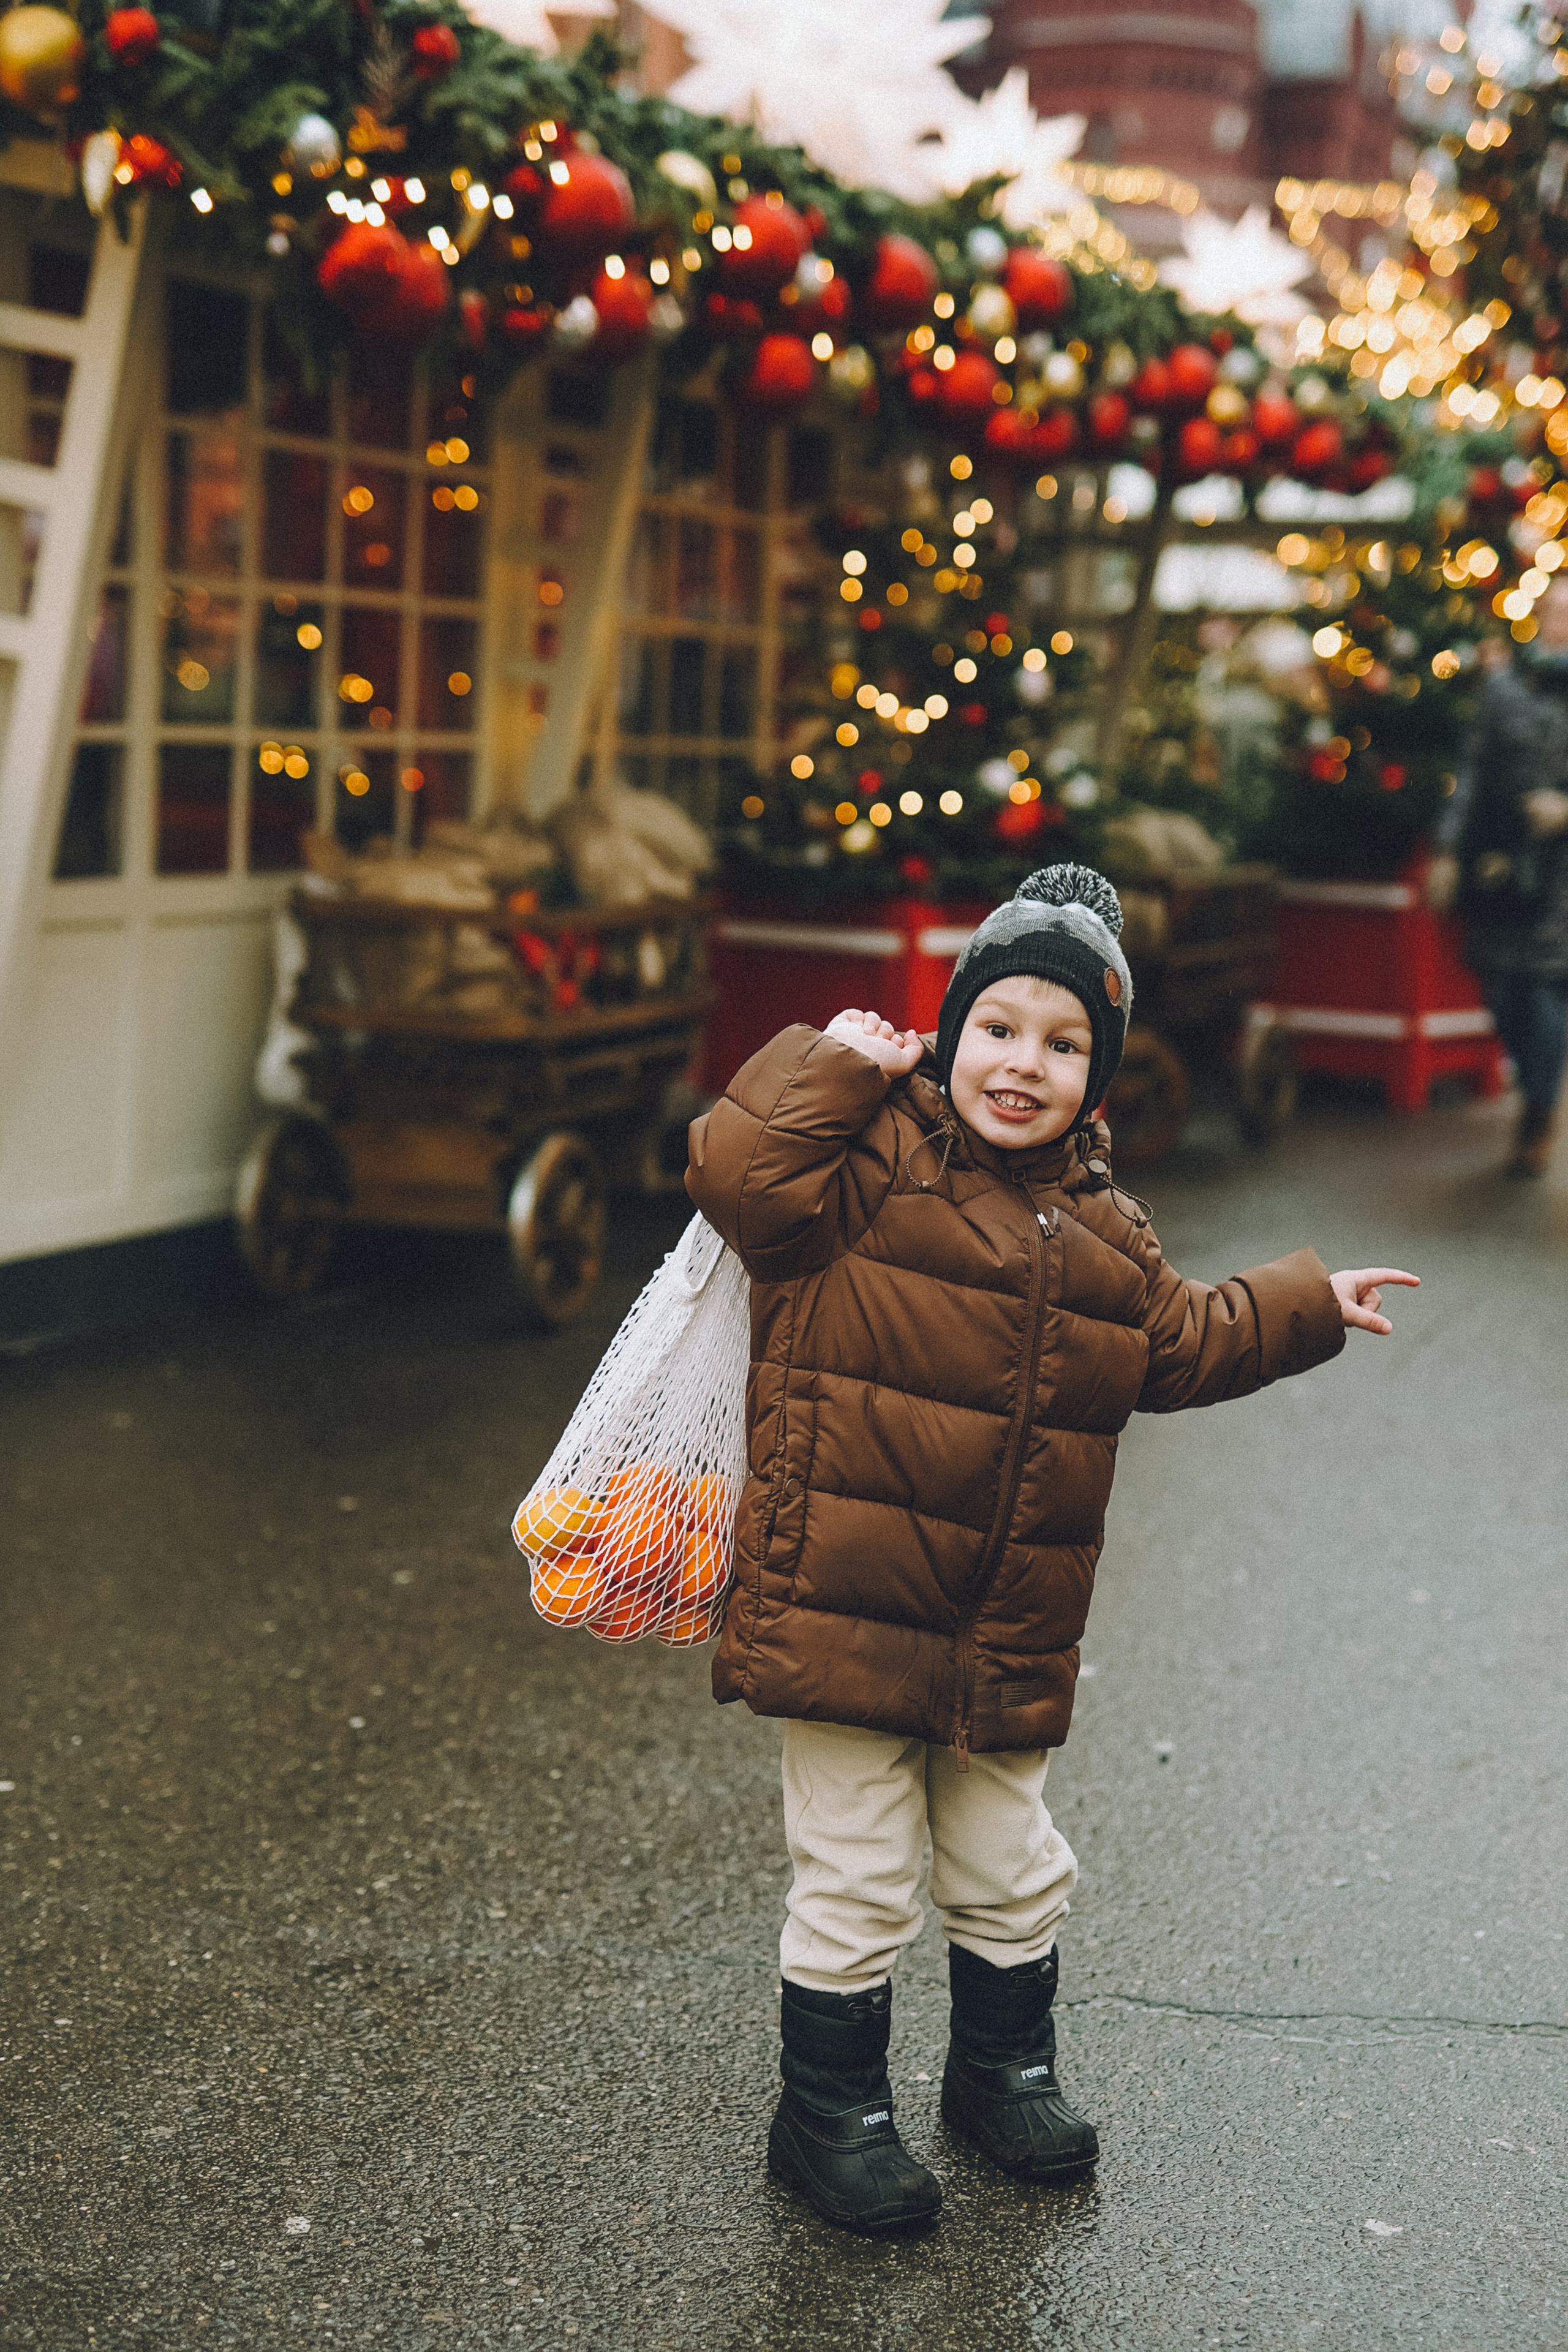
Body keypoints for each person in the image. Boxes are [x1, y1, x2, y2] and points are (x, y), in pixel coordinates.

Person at [685, 864, 1418, 2236]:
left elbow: (1185, 1343)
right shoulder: (856, 1168)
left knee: (1011, 1861)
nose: (1023, 1063)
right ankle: (826, 2113)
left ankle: (1001, 2071)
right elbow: (735, 1170)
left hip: (1005, 1624)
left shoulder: (1103, 1236)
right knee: (854, 1873)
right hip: (840, 1610)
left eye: (1063, 1043)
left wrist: (1301, 1305)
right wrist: (836, 1061)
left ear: (1099, 1076)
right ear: (948, 1031)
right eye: (999, 1027)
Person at [1428, 586, 1568, 1178]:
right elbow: (1473, 769)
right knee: (1497, 984)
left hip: (1561, 876)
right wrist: (1446, 848)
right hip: (1502, 863)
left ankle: (1536, 1114)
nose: (1561, 623)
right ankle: (1535, 1085)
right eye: (1555, 611)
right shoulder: (1503, 686)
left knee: (1541, 991)